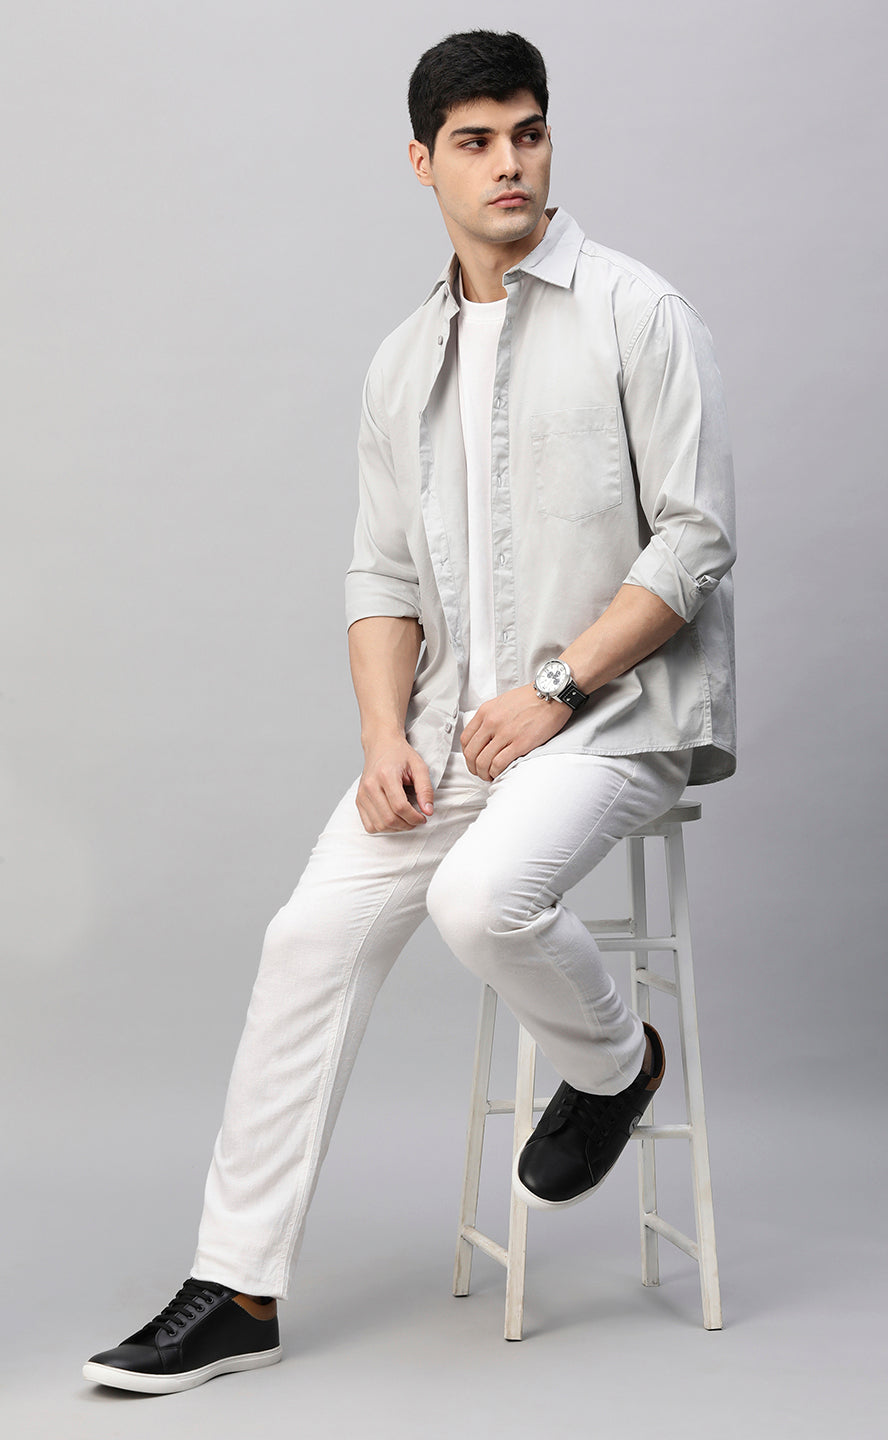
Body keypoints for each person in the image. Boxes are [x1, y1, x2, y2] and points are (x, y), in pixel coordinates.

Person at [83, 27, 737, 1394]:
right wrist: (386, 736)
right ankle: (237, 1288)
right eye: (477, 141)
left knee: (481, 899)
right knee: (303, 941)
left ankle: (616, 1063)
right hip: (447, 730)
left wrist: (556, 687)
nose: (511, 165)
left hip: (612, 717)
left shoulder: (639, 312)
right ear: (422, 161)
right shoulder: (402, 362)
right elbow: (381, 579)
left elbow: (693, 541)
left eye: (529, 133)